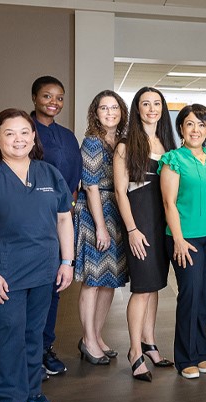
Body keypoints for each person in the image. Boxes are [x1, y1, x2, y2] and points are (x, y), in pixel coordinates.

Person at [0, 109, 74, 402]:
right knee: (6, 334)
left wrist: (67, 261)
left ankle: (30, 392)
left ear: (33, 137)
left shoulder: (49, 173)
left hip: (45, 269)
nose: (19, 139)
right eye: (9, 133)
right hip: (4, 273)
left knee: (33, 334)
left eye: (25, 131)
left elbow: (64, 219)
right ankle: (8, 400)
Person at [160, 104, 206, 379]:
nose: (196, 130)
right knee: (189, 295)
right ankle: (185, 358)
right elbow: (168, 203)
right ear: (181, 128)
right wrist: (178, 239)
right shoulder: (173, 159)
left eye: (201, 125)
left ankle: (201, 354)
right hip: (186, 238)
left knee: (204, 296)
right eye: (190, 124)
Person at [113, 87, 175, 382]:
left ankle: (150, 343)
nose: (152, 108)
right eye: (145, 104)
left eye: (157, 103)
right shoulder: (126, 145)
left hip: (162, 221)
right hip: (140, 222)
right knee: (142, 287)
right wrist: (132, 229)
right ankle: (135, 351)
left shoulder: (168, 143)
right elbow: (120, 192)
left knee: (155, 285)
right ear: (136, 109)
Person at [30, 76, 82, 377]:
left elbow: (73, 179)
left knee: (54, 286)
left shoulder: (66, 135)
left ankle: (45, 347)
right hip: (34, 219)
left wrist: (68, 210)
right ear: (35, 97)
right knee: (33, 287)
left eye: (59, 97)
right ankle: (29, 350)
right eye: (47, 96)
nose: (54, 102)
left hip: (62, 220)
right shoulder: (25, 129)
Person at [73, 90, 129, 365]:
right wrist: (101, 228)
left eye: (114, 108)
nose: (109, 113)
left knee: (109, 281)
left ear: (122, 112)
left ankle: (95, 335)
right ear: (96, 113)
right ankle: (88, 339)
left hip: (116, 210)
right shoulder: (93, 142)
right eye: (104, 108)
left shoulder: (121, 141)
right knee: (93, 281)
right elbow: (91, 187)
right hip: (95, 213)